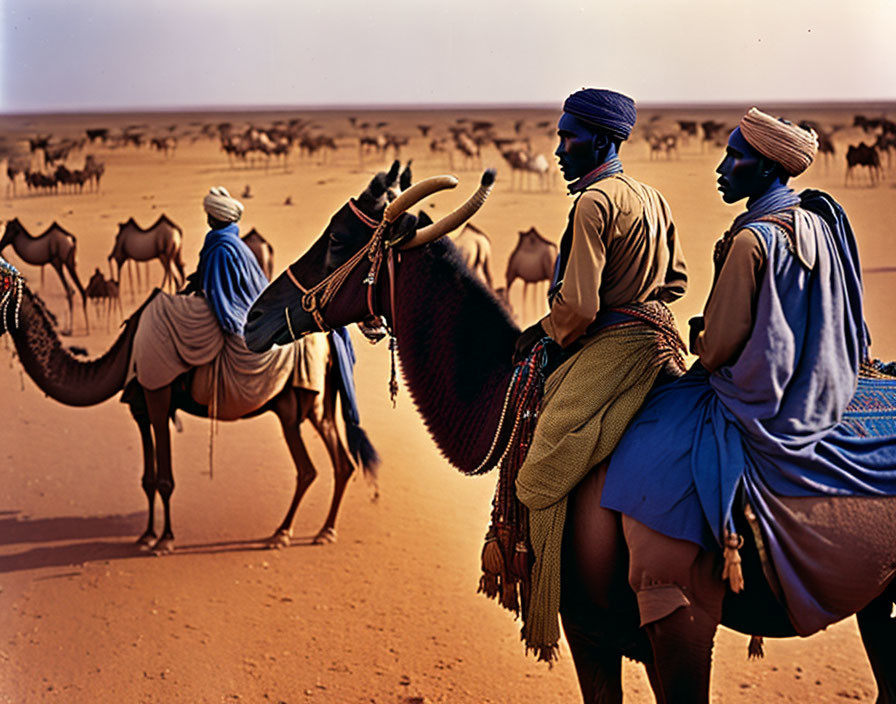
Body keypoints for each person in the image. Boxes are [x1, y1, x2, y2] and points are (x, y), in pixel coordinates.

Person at [602, 107, 896, 693]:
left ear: (765, 167)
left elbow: (717, 352)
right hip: (820, 382)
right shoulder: (814, 219)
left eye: (735, 156)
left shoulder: (752, 240)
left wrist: (699, 338)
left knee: (655, 441)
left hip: (759, 396)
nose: (722, 166)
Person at [502, 88, 689, 661]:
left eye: (568, 136)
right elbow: (677, 281)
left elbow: (579, 308)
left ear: (601, 140)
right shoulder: (651, 195)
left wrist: (544, 332)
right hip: (660, 339)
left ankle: (559, 590)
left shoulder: (592, 202)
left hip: (613, 345)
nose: (558, 149)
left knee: (542, 458)